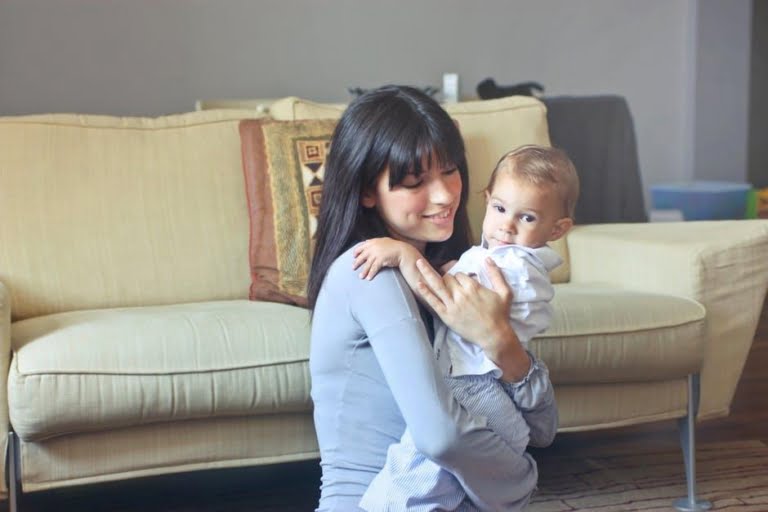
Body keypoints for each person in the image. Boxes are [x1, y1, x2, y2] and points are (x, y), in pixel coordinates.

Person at [308, 85, 558, 512]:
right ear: (368, 191)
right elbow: (441, 436)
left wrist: (501, 340)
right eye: (414, 182)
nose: (444, 195)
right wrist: (522, 480)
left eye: (449, 170)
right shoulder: (369, 271)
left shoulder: (460, 275)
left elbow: (544, 428)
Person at [352, 145, 579, 511]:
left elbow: (448, 303)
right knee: (445, 484)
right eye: (500, 209)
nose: (507, 225)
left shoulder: (514, 264)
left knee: (415, 467)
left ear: (558, 228)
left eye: (528, 218)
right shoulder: (498, 258)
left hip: (473, 384)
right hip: (487, 385)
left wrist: (406, 255)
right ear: (487, 200)